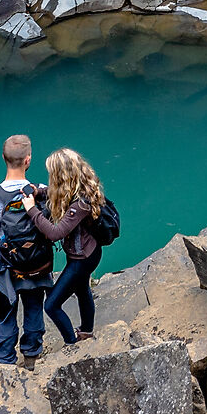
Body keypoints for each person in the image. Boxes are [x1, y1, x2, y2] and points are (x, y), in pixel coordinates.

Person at [0, 134, 55, 366]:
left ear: (3, 158)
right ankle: (31, 355)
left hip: (4, 264)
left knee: (5, 309)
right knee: (33, 306)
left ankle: (5, 358)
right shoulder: (41, 191)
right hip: (35, 261)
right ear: (28, 160)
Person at [34, 147, 119, 345]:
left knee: (52, 305)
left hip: (83, 259)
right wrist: (39, 192)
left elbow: (56, 234)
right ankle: (87, 332)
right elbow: (58, 193)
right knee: (82, 290)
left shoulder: (81, 204)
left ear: (60, 175)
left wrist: (32, 211)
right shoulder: (80, 188)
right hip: (87, 253)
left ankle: (71, 342)